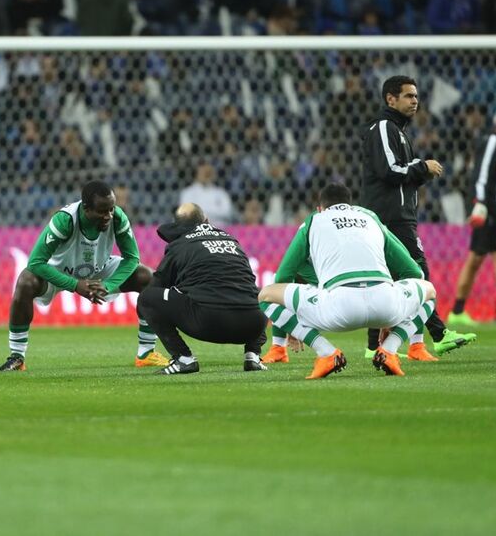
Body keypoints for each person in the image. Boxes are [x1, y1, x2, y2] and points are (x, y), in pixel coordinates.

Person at [259, 183, 438, 379]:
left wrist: (291, 325)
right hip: (386, 305)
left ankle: (325, 352)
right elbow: (413, 271)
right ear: (351, 205)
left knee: (266, 295)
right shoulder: (370, 218)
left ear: (320, 208)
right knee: (429, 291)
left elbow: (283, 277)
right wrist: (394, 316)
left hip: (338, 309)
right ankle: (390, 349)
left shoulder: (312, 222)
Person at [0, 181, 168, 372]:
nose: (108, 216)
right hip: (60, 270)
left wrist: (109, 285)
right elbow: (36, 262)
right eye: (102, 211)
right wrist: (75, 285)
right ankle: (17, 358)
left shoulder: (117, 217)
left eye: (111, 209)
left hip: (99, 268)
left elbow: (132, 258)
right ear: (86, 209)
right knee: (26, 281)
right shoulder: (65, 220)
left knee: (148, 277)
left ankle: (146, 353)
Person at [359, 75, 475, 358]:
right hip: (391, 218)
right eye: (408, 96)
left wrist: (418, 172)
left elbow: (399, 175)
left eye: (416, 96)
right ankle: (439, 335)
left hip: (396, 215)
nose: (415, 101)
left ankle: (374, 346)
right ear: (390, 99)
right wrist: (422, 167)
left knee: (386, 280)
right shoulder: (385, 128)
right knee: (418, 274)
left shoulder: (398, 131)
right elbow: (388, 171)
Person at [136, 203, 267, 376]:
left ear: (177, 226)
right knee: (255, 293)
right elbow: (248, 282)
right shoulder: (231, 240)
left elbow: (156, 288)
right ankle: (253, 355)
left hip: (208, 321)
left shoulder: (179, 245)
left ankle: (183, 358)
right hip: (253, 324)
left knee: (147, 298)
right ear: (206, 221)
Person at [449, 106, 496, 326]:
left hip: (495, 212)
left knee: (485, 258)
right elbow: (481, 176)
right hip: (488, 212)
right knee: (494, 258)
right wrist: (480, 205)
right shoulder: (492, 142)